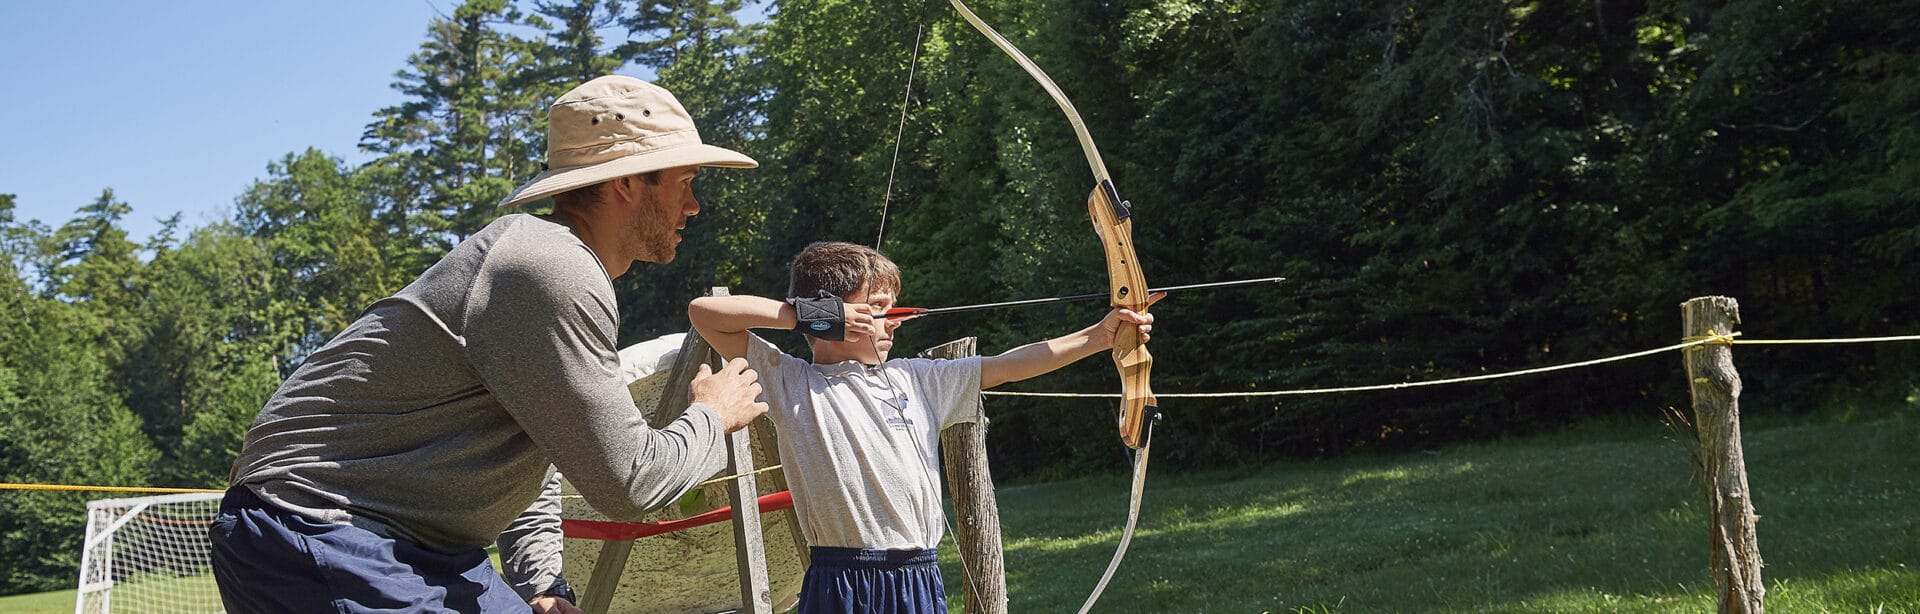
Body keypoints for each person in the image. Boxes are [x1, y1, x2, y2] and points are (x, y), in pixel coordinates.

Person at [210, 75, 769, 614]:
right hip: (321, 523)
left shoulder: (554, 268)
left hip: (413, 542)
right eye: (684, 181)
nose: (694, 206)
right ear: (626, 182)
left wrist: (543, 585)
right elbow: (631, 482)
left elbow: (533, 457)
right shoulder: (549, 268)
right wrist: (712, 414)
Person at [686, 241, 1158, 613]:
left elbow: (1011, 364)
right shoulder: (790, 380)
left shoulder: (918, 379)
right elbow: (704, 313)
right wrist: (812, 316)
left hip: (918, 574)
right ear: (834, 315)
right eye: (878, 308)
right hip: (840, 579)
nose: (893, 322)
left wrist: (1098, 337)